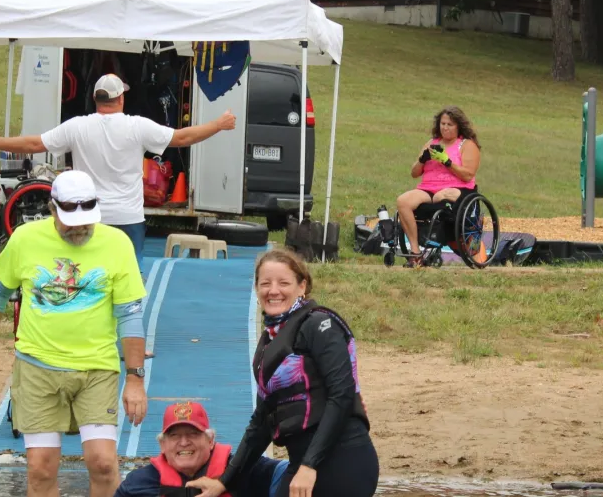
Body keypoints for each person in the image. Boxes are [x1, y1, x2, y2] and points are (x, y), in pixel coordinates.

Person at [0, 170, 148, 497]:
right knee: (40, 467)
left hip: (96, 368)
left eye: (86, 221)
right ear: (52, 209)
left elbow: (130, 315)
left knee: (104, 464)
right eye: (70, 220)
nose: (79, 227)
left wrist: (135, 379)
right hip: (38, 367)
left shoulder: (117, 244)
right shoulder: (25, 239)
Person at [0, 73, 238, 264]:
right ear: (121, 98)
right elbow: (182, 138)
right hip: (128, 218)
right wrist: (218, 124)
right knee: (130, 282)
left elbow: (35, 143)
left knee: (89, 275)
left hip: (90, 216)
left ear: (94, 98)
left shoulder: (77, 126)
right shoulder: (138, 126)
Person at [186, 249, 378, 497]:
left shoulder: (320, 325)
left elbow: (341, 396)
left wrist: (310, 466)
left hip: (343, 460)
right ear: (256, 289)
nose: (273, 290)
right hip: (302, 463)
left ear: (302, 286)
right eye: (265, 283)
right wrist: (225, 481)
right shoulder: (270, 340)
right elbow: (261, 421)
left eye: (283, 283)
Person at [114, 401, 290, 497]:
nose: (184, 442)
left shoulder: (244, 469)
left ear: (211, 440)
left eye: (193, 434)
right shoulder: (138, 484)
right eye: (174, 436)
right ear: (162, 445)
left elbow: (293, 473)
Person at [395, 106, 481, 267]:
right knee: (403, 201)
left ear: (458, 126)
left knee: (441, 195)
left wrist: (447, 161)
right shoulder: (431, 143)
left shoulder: (467, 145)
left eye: (449, 124)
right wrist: (422, 160)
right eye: (443, 124)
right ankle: (415, 253)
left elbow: (468, 175)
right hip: (428, 187)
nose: (445, 127)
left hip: (458, 188)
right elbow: (414, 173)